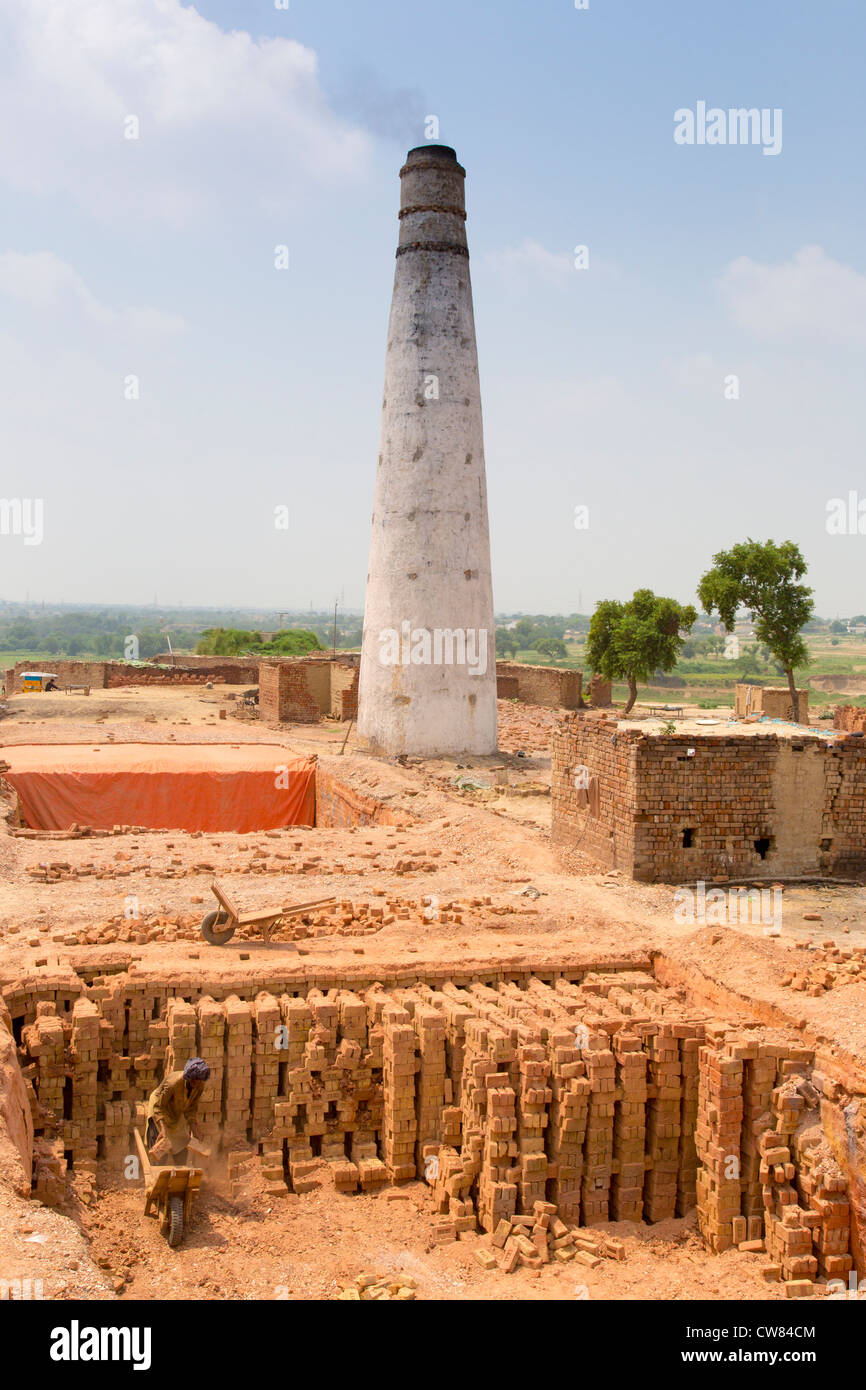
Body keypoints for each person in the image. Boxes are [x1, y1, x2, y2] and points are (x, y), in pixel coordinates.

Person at [145, 1058, 210, 1164]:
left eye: (200, 1081)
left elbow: (191, 1109)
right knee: (161, 1150)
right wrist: (162, 1129)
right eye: (195, 1080)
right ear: (189, 1077)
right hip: (160, 1108)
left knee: (181, 1148)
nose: (197, 1083)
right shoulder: (173, 1083)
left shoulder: (199, 1086)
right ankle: (157, 1174)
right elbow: (158, 1107)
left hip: (176, 1110)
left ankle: (180, 1176)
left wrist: (195, 1130)